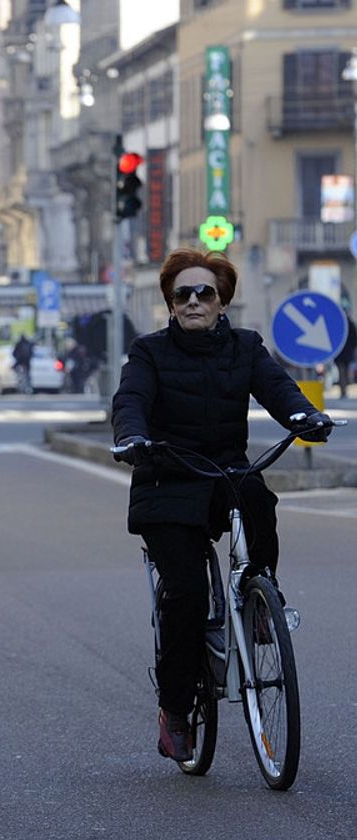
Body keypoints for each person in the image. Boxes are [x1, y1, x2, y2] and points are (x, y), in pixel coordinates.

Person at [111, 247, 334, 762]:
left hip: (225, 474)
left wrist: (305, 418)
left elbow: (279, 389)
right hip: (167, 479)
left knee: (258, 499)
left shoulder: (245, 347)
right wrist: (132, 437)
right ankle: (175, 710)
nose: (193, 301)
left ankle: (260, 596)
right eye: (182, 294)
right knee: (187, 591)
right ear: (170, 303)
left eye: (204, 293)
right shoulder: (148, 352)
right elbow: (131, 400)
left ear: (222, 301)